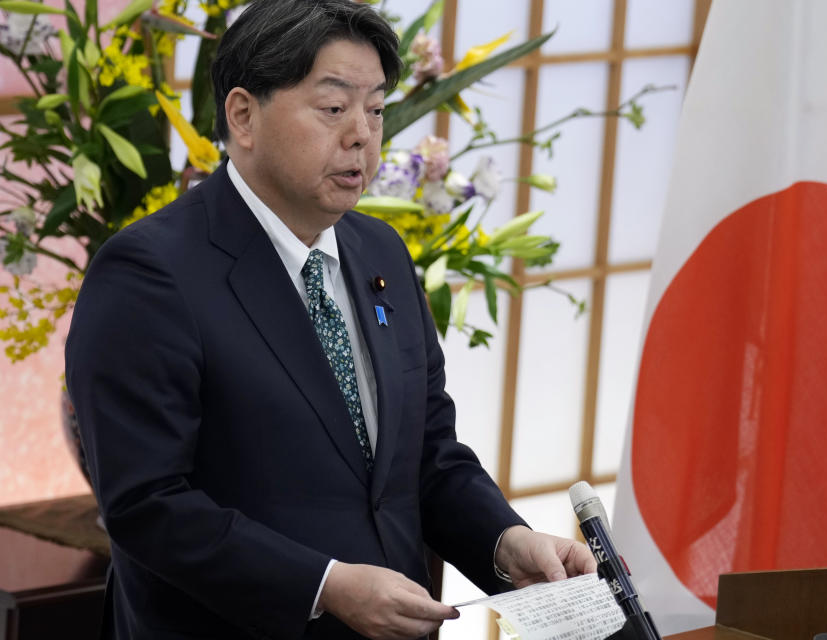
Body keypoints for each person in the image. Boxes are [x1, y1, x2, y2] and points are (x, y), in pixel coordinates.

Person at [65, 1, 596, 639]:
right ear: (243, 115)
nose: (362, 136)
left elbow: (427, 455)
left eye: (375, 110)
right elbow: (146, 504)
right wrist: (323, 586)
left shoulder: (380, 251)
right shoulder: (150, 273)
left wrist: (504, 541)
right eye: (334, 108)